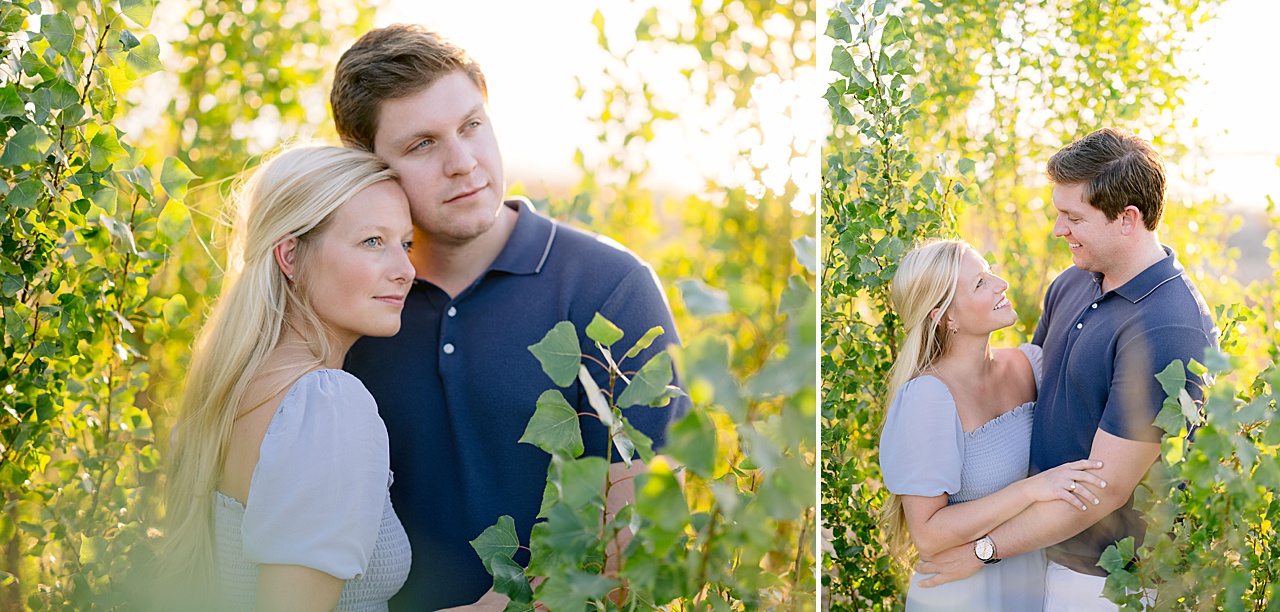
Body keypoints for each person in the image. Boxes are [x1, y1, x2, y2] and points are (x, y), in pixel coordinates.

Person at [330, 25, 686, 610]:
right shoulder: (347, 300)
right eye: (422, 144)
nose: (463, 162)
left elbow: (638, 540)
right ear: (367, 166)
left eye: (472, 125)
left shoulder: (609, 288)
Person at [916, 128, 1218, 611]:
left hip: (1107, 585)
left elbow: (1104, 491)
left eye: (1073, 217)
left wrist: (983, 550)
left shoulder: (1167, 327)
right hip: (1035, 559)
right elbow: (1031, 395)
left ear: (1127, 219)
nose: (1059, 229)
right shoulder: (1072, 283)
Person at [161, 145, 416, 611]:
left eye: (406, 243)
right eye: (372, 242)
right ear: (290, 256)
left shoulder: (235, 388)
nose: (405, 271)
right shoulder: (326, 405)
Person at [879, 239, 1106, 610]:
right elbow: (928, 534)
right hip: (962, 592)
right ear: (944, 317)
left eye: (989, 271)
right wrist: (1031, 491)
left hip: (1030, 578)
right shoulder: (928, 398)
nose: (1001, 283)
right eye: (980, 283)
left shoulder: (1029, 365)